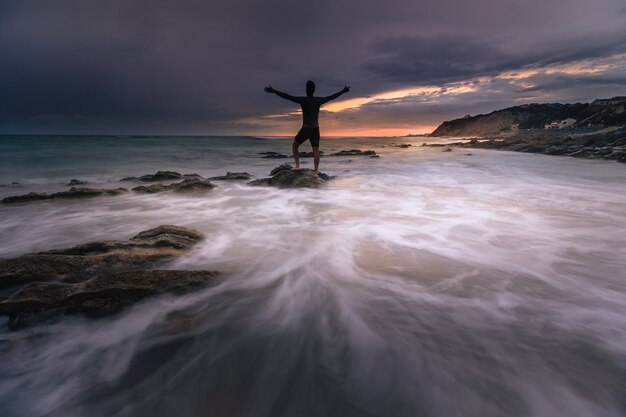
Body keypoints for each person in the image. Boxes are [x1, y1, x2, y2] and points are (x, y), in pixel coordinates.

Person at [264, 80, 350, 176]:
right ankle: (315, 172)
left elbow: (287, 96)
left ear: (306, 90)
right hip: (315, 129)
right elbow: (332, 97)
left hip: (305, 129)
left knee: (295, 145)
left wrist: (274, 91)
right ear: (314, 90)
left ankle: (297, 166)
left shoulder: (303, 100)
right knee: (316, 150)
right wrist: (343, 91)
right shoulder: (318, 100)